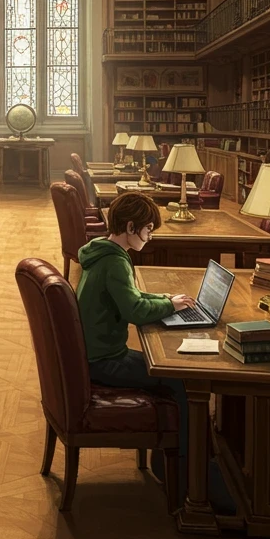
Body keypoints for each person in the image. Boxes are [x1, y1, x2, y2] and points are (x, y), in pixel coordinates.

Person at [75, 192, 199, 504]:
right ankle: (188, 472)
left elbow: (132, 297)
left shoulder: (101, 253)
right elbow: (134, 311)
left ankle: (172, 455)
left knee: (166, 369)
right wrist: (169, 305)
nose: (151, 235)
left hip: (93, 353)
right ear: (131, 227)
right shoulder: (116, 262)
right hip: (105, 360)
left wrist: (168, 301)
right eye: (148, 229)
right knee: (182, 380)